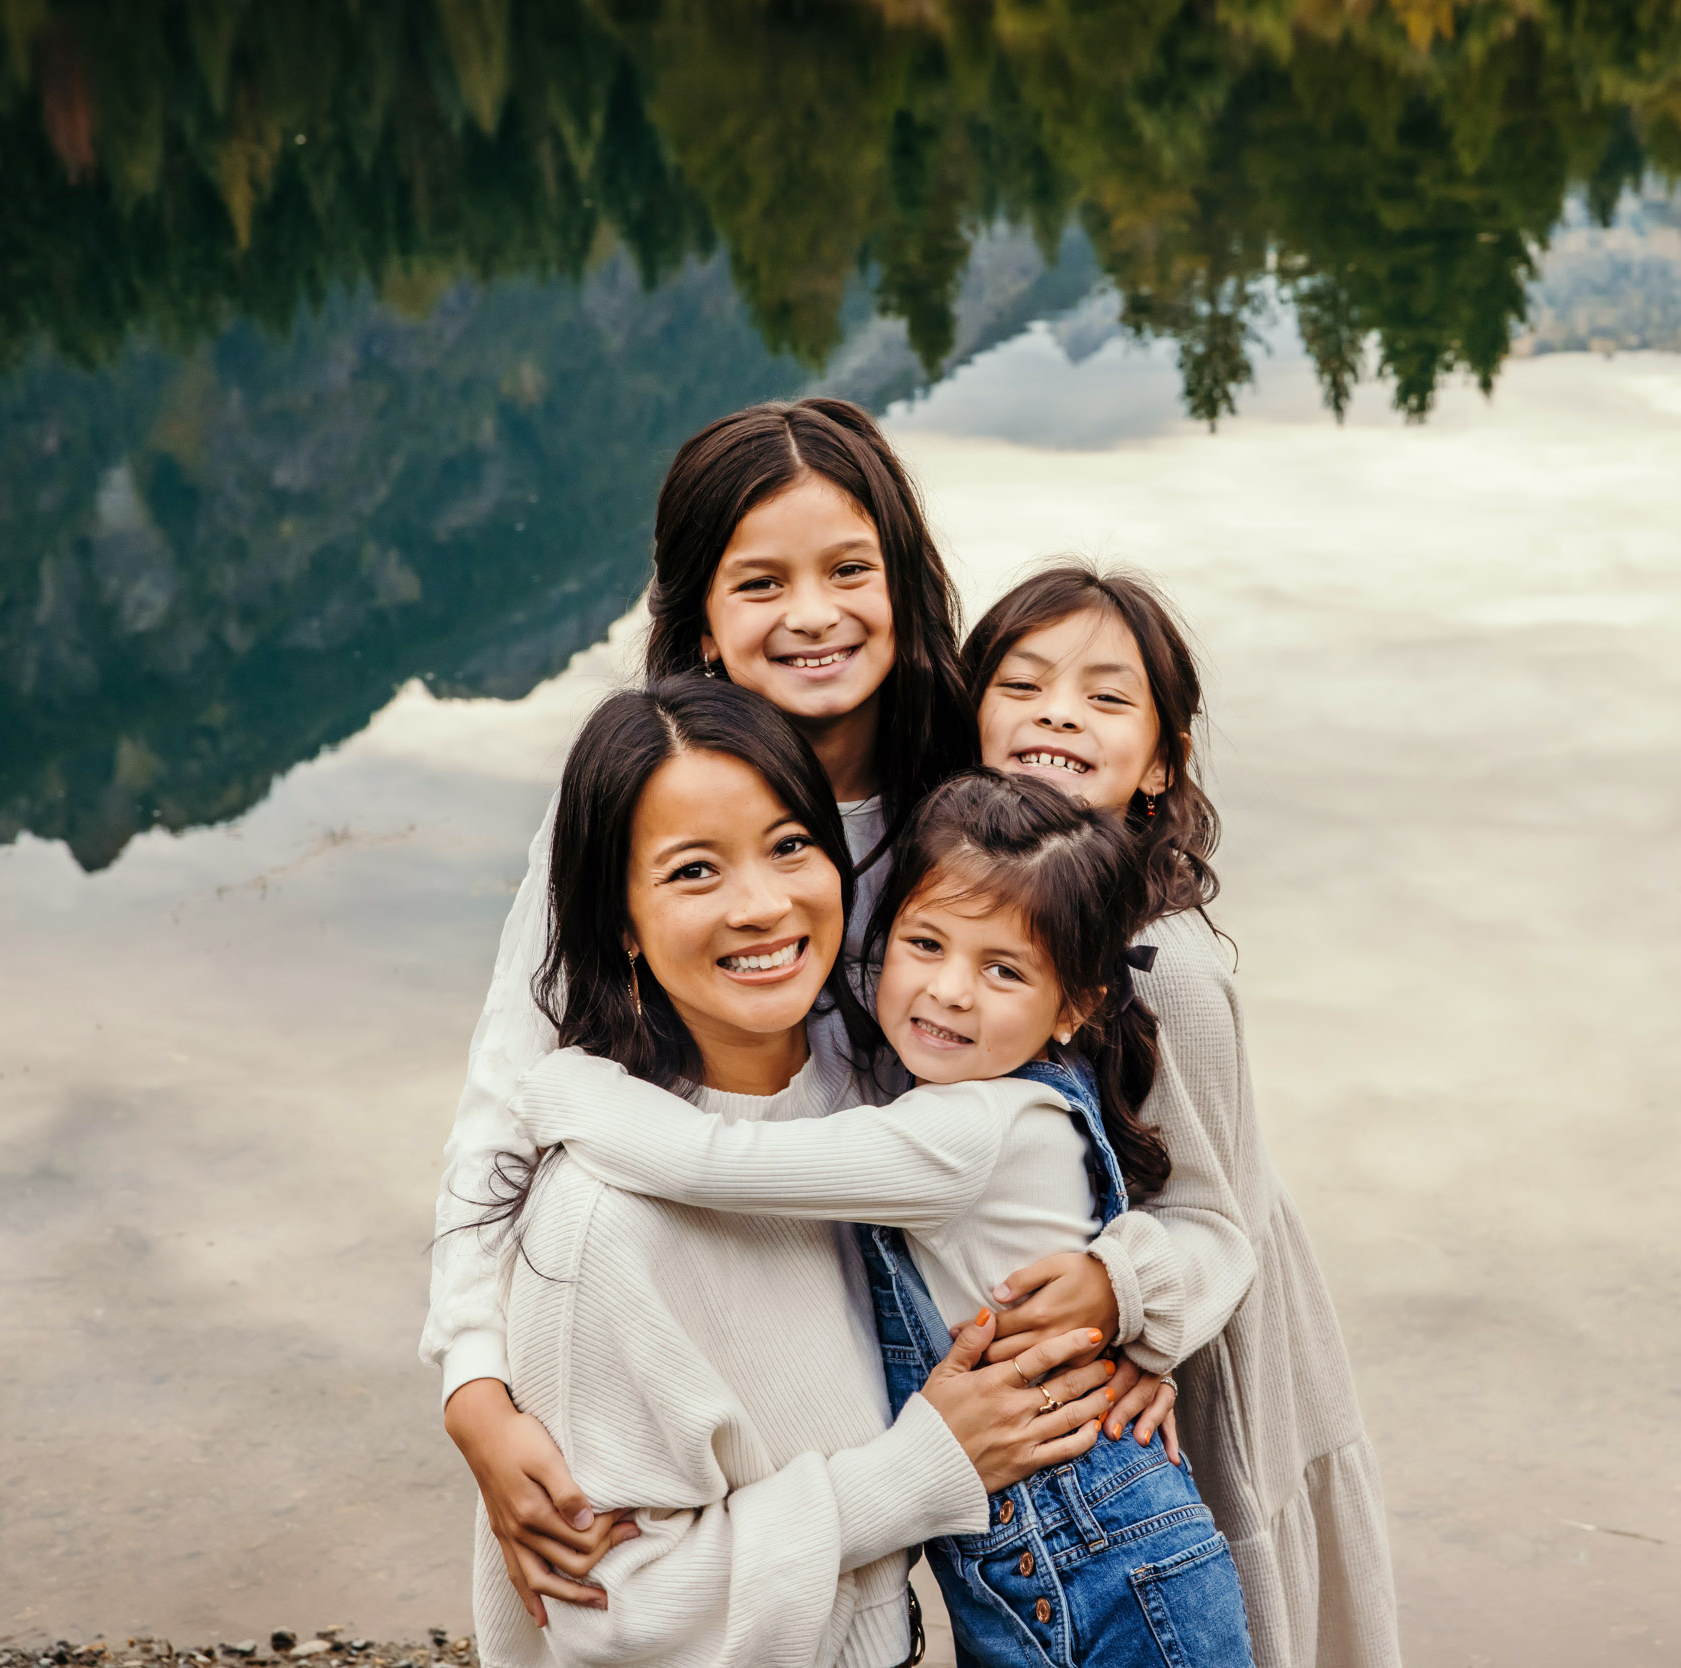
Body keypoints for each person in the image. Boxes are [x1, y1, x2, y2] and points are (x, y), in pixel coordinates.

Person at [423, 401, 1203, 1624]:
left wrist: (1136, 1301)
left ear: (904, 577)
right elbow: (505, 1107)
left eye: (850, 569)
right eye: (758, 582)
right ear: (698, 622)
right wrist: (474, 1381)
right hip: (702, 1331)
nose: (813, 614)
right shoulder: (634, 810)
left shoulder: (974, 815)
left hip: (878, 1332)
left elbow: (1173, 1176)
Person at [507, 769, 1255, 1666]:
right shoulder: (977, 1095)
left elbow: (727, 1163)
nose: (949, 991)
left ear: (1076, 1007)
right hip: (1050, 1552)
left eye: (1003, 970)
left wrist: (563, 1087)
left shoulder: (968, 1133)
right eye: (926, 943)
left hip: (1099, 1559)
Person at [958, 566, 1401, 1668]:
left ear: (1161, 763)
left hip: (1205, 1334)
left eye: (1107, 699)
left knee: (1222, 1579)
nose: (1059, 709)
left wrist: (1127, 1297)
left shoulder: (1165, 972)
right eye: (1023, 684)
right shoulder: (964, 915)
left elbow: (1220, 1212)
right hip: (1097, 1332)